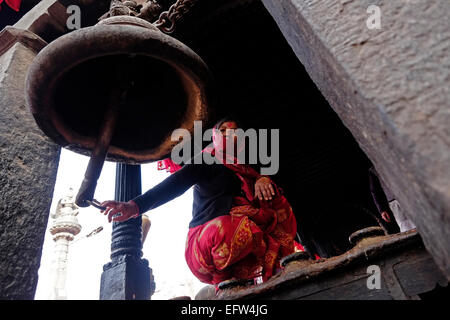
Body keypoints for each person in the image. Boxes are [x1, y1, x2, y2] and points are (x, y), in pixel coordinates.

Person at [100, 118, 299, 286]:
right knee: (232, 227)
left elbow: (268, 205)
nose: (229, 134)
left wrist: (262, 179)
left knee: (277, 204)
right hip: (207, 242)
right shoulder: (205, 160)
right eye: (222, 130)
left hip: (241, 240)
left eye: (234, 131)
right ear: (214, 138)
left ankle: (260, 278)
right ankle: (226, 280)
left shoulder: (248, 172)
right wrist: (134, 206)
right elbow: (175, 184)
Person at [368, 166, 415, 233]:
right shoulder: (373, 169)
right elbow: (375, 191)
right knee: (406, 229)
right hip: (395, 202)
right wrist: (381, 210)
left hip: (410, 196)